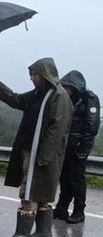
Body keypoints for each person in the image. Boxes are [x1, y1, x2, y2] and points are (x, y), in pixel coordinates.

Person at [0, 58, 73, 237]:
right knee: (40, 193)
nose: (32, 79)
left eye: (34, 75)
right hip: (33, 151)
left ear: (43, 75)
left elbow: (57, 129)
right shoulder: (39, 94)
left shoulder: (58, 95)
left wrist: (44, 155)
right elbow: (17, 100)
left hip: (42, 154)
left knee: (30, 191)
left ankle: (22, 234)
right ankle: (43, 233)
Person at [54, 70, 100, 224]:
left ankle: (79, 211)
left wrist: (83, 145)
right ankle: (62, 208)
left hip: (80, 145)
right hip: (67, 143)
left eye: (67, 87)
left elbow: (92, 124)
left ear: (74, 86)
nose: (65, 90)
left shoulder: (90, 99)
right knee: (65, 177)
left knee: (76, 178)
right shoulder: (69, 99)